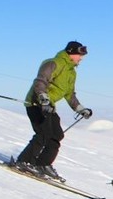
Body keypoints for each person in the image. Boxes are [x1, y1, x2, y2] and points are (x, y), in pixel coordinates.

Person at [14, 41, 93, 182]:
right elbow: (40, 81)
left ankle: (43, 164)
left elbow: (69, 94)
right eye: (79, 55)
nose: (81, 58)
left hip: (49, 106)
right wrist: (43, 99)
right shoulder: (53, 63)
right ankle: (24, 161)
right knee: (43, 134)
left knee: (57, 135)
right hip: (36, 103)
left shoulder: (71, 72)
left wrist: (80, 109)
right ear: (71, 52)